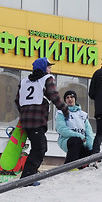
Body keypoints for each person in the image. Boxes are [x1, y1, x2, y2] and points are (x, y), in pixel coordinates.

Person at [15, 57, 69, 186]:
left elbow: (17, 100)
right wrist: (65, 110)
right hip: (38, 120)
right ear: (43, 68)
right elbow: (54, 96)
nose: (50, 70)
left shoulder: (24, 82)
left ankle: (29, 175)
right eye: (48, 67)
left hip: (26, 121)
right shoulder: (47, 79)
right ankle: (27, 179)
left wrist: (24, 112)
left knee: (39, 146)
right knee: (40, 148)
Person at [56, 90, 94, 165]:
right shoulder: (61, 112)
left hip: (82, 141)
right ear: (65, 100)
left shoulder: (83, 114)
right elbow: (61, 129)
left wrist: (89, 146)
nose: (70, 99)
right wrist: (79, 136)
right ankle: (68, 166)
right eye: (67, 97)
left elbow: (89, 132)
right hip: (66, 140)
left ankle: (81, 168)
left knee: (91, 152)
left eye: (72, 97)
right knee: (76, 141)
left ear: (75, 99)